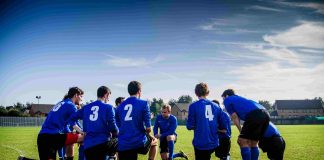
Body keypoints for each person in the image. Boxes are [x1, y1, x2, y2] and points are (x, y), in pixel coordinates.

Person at [68, 86, 118, 160]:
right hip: (103, 142)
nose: (108, 99)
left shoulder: (86, 107)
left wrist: (80, 130)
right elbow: (112, 126)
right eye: (108, 96)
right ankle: (112, 156)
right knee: (120, 140)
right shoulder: (108, 107)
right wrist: (117, 132)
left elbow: (71, 119)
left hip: (88, 144)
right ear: (106, 95)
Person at [37, 87, 85, 160]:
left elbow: (66, 126)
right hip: (52, 137)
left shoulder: (60, 103)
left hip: (42, 137)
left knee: (71, 140)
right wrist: (82, 132)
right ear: (76, 95)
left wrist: (72, 134)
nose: (82, 99)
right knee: (85, 137)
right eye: (81, 96)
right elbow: (74, 122)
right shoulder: (71, 105)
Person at [221, 89, 270, 160]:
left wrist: (241, 131)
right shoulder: (239, 99)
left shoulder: (228, 99)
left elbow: (234, 117)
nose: (223, 100)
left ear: (227, 95)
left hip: (255, 115)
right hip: (266, 114)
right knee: (254, 142)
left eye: (223, 98)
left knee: (242, 141)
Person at [115, 81, 158, 160]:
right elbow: (148, 129)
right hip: (138, 143)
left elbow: (117, 127)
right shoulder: (144, 104)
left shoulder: (120, 106)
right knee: (155, 142)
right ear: (139, 91)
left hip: (123, 143)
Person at [186, 83, 226, 160]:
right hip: (214, 142)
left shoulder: (193, 106)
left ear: (196, 93)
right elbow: (223, 125)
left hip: (201, 143)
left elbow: (189, 126)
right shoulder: (216, 106)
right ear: (208, 93)